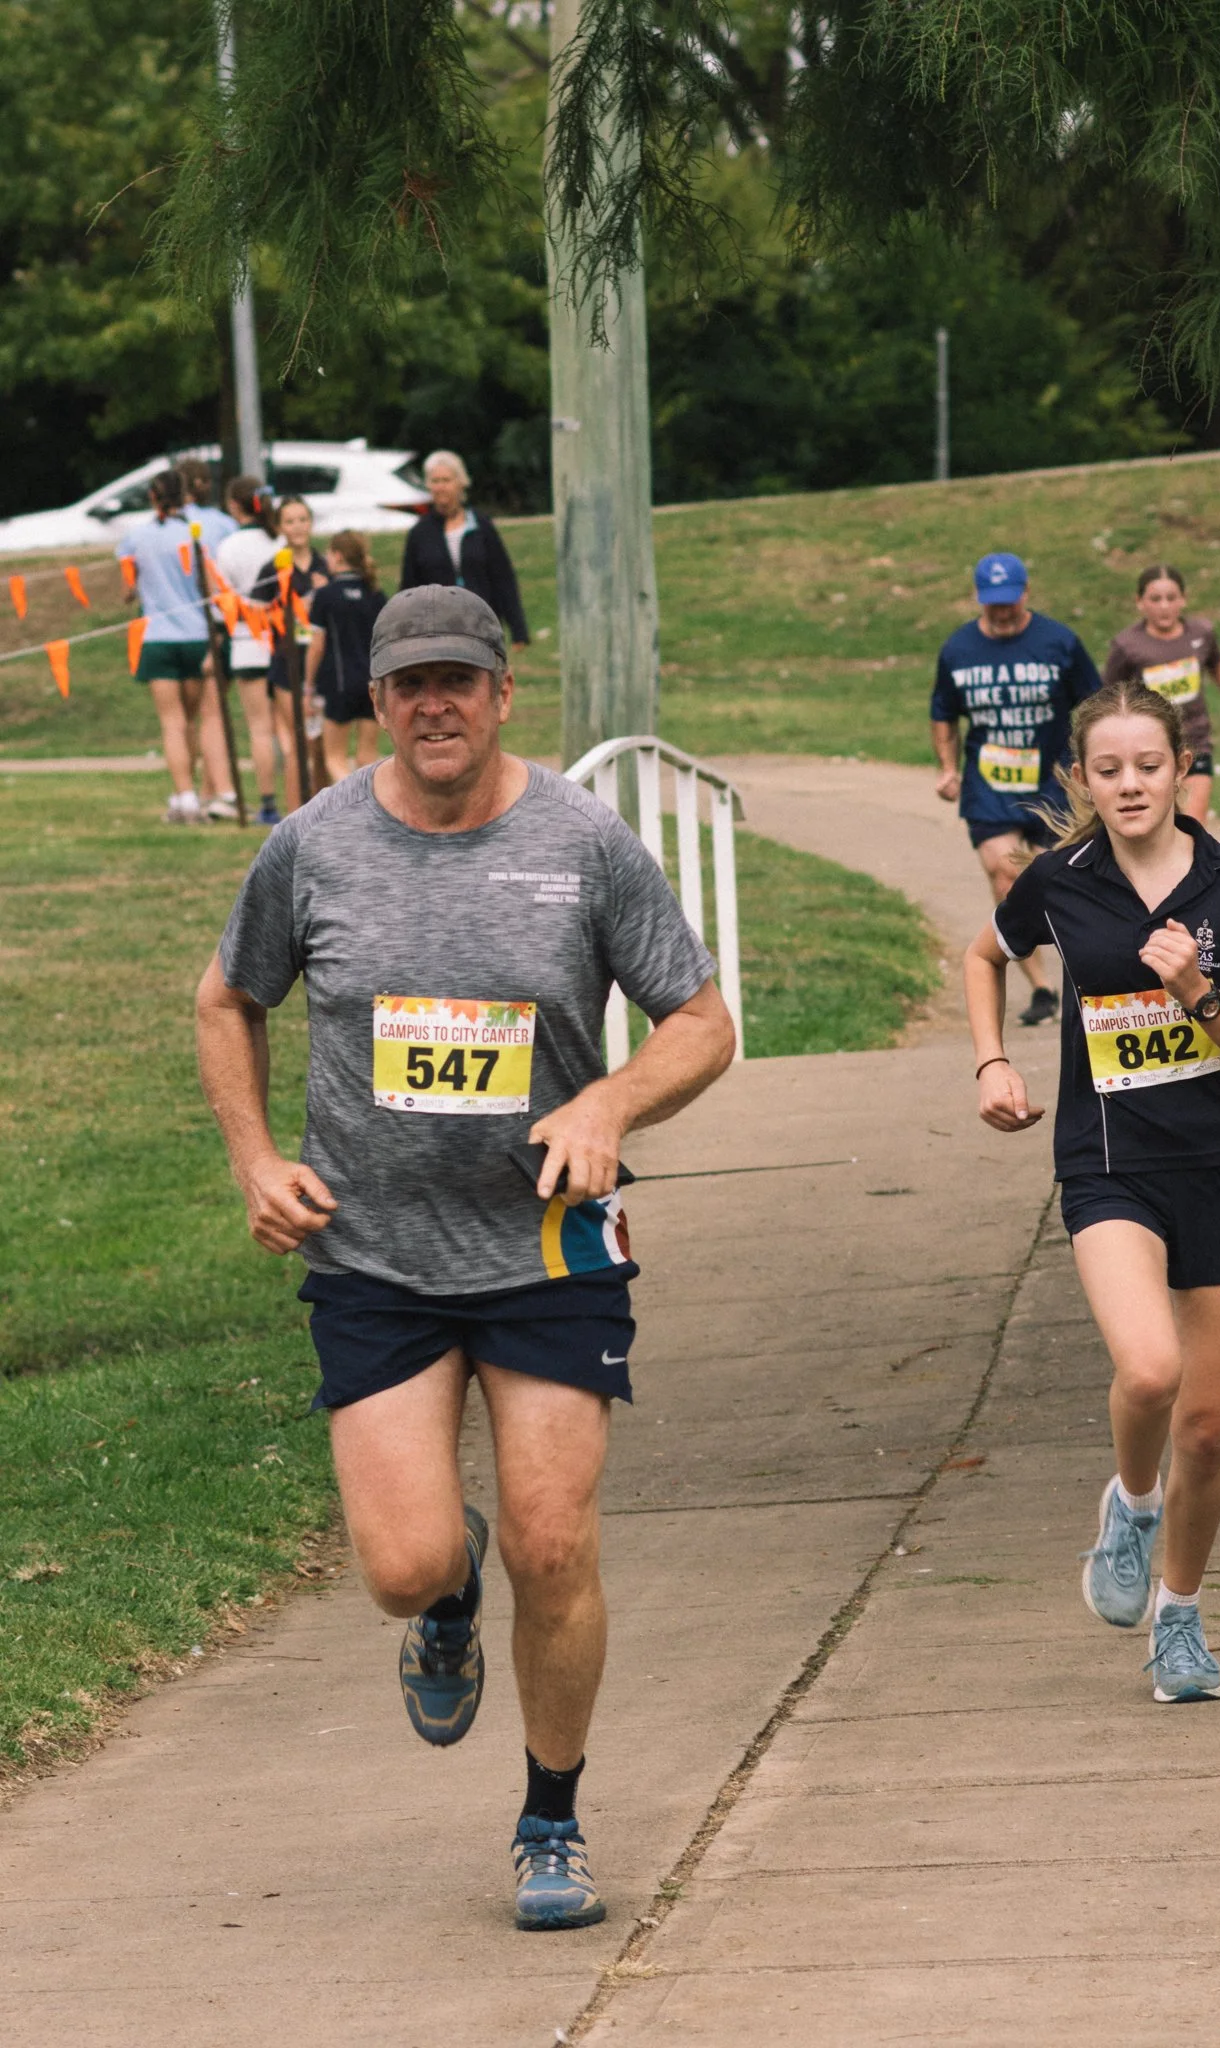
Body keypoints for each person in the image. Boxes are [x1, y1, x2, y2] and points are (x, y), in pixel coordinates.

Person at [195, 586, 735, 1930]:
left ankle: (551, 1820)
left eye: (458, 679)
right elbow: (227, 998)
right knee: (403, 1563)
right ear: (378, 701)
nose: (434, 703)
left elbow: (702, 1020)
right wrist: (255, 1159)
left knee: (556, 1543)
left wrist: (609, 1104)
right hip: (373, 1252)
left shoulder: (583, 842)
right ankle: (447, 1590)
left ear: (501, 693)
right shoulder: (313, 846)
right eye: (408, 683)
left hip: (546, 1246)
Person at [963, 678, 1220, 1704]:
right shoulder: (1061, 880)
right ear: (1082, 777)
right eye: (1108, 769)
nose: (1130, 784)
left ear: (1181, 767)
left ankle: (1180, 1617)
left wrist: (1196, 989)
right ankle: (1134, 1503)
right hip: (1106, 1163)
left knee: (1209, 1425)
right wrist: (992, 1061)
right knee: (1150, 1372)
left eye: (1148, 765)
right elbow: (983, 954)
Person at [932, 550, 1102, 1026]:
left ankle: (1086, 974)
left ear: (1026, 593)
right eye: (993, 603)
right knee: (1005, 875)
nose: (1003, 611)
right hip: (990, 785)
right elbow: (943, 712)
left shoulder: (1059, 642)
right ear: (977, 597)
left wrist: (1097, 768)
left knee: (1064, 878)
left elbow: (1095, 704)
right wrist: (947, 767)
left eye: (1010, 601)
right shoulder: (958, 649)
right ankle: (1042, 988)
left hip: (1055, 782)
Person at [116, 469, 237, 824]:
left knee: (173, 723)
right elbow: (213, 586)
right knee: (197, 719)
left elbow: (127, 592)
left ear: (152, 497)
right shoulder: (198, 535)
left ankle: (185, 797)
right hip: (197, 636)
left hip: (158, 637)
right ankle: (206, 792)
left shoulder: (135, 538)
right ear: (184, 495)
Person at [1104, 566, 1220, 822]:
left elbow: (1217, 665)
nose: (1164, 606)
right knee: (1157, 826)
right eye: (1155, 599)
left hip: (1194, 742)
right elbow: (1108, 698)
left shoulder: (1201, 633)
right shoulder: (1126, 645)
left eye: (1171, 598)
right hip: (1147, 751)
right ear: (1139, 602)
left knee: (1191, 826)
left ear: (1183, 599)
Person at [398, 450, 530, 650]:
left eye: (446, 480)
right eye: (435, 481)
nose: (440, 487)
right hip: (438, 630)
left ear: (461, 483)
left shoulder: (481, 526)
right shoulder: (420, 533)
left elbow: (503, 578)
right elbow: (408, 588)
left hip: (482, 626)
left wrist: (518, 629)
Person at [252, 496, 329, 815]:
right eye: (290, 521)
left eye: (302, 520)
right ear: (280, 527)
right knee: (297, 742)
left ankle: (326, 813)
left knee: (320, 743)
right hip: (288, 664)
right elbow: (254, 613)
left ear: (311, 523)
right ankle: (295, 817)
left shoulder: (325, 565)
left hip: (322, 663)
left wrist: (324, 595)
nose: (297, 527)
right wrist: (288, 612)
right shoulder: (274, 568)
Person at [216, 476, 282, 826]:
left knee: (259, 728)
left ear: (233, 506)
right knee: (288, 726)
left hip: (246, 641)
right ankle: (301, 799)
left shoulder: (228, 547)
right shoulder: (280, 539)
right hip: (283, 639)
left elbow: (222, 605)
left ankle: (269, 803)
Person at [304, 531, 388, 783]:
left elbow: (317, 646)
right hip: (373, 683)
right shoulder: (375, 593)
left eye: (329, 554)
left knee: (334, 758)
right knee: (367, 757)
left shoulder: (326, 595)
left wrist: (308, 685)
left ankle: (352, 802)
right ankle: (372, 802)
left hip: (338, 684)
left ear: (338, 556)